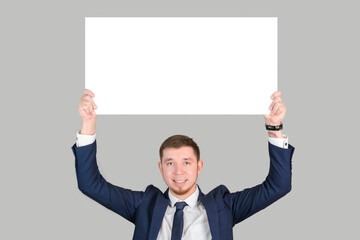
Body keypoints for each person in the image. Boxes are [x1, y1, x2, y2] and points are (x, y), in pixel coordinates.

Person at [71, 89, 295, 240]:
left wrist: (274, 127)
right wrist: (88, 123)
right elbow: (90, 185)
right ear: (160, 168)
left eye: (187, 162)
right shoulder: (143, 205)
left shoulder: (224, 206)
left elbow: (278, 186)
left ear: (199, 166)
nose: (178, 171)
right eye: (170, 163)